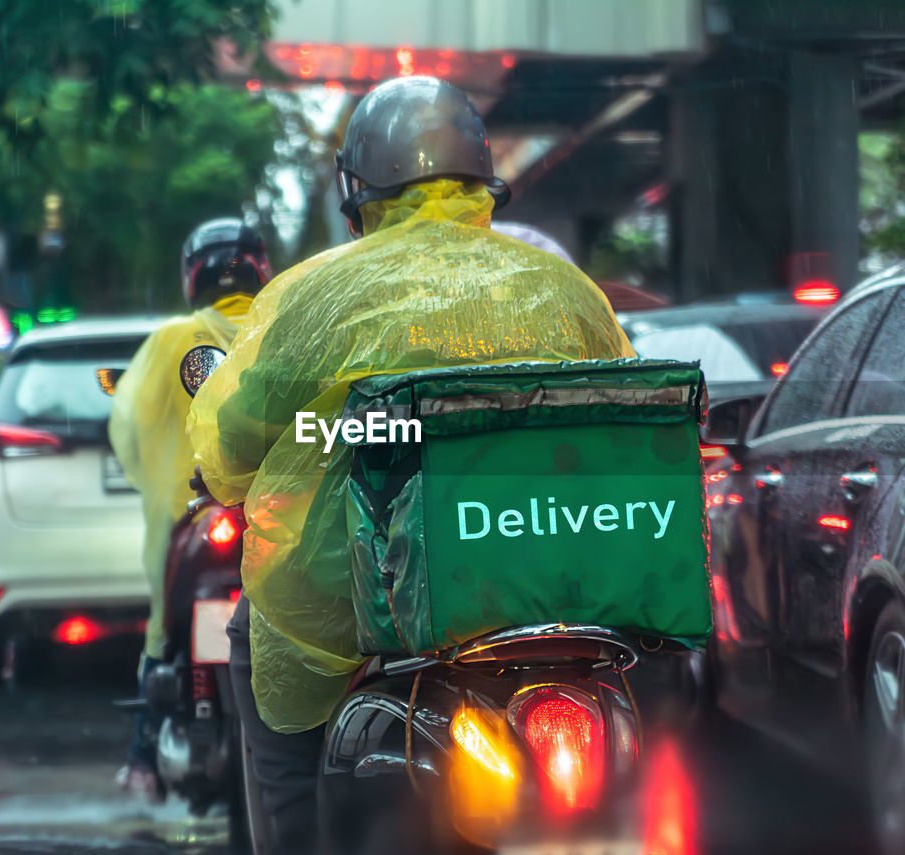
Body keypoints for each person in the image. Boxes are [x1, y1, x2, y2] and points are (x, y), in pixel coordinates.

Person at [186, 76, 634, 851]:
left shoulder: (315, 298)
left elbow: (229, 449)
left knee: (257, 644)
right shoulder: (568, 289)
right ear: (481, 180)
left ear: (358, 192)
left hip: (355, 604)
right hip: (541, 589)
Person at [108, 218, 272, 799]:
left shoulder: (170, 341)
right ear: (261, 267)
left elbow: (125, 426)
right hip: (278, 525)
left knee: (161, 635)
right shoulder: (285, 325)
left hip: (191, 526)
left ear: (191, 277)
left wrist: (157, 479)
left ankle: (142, 757)